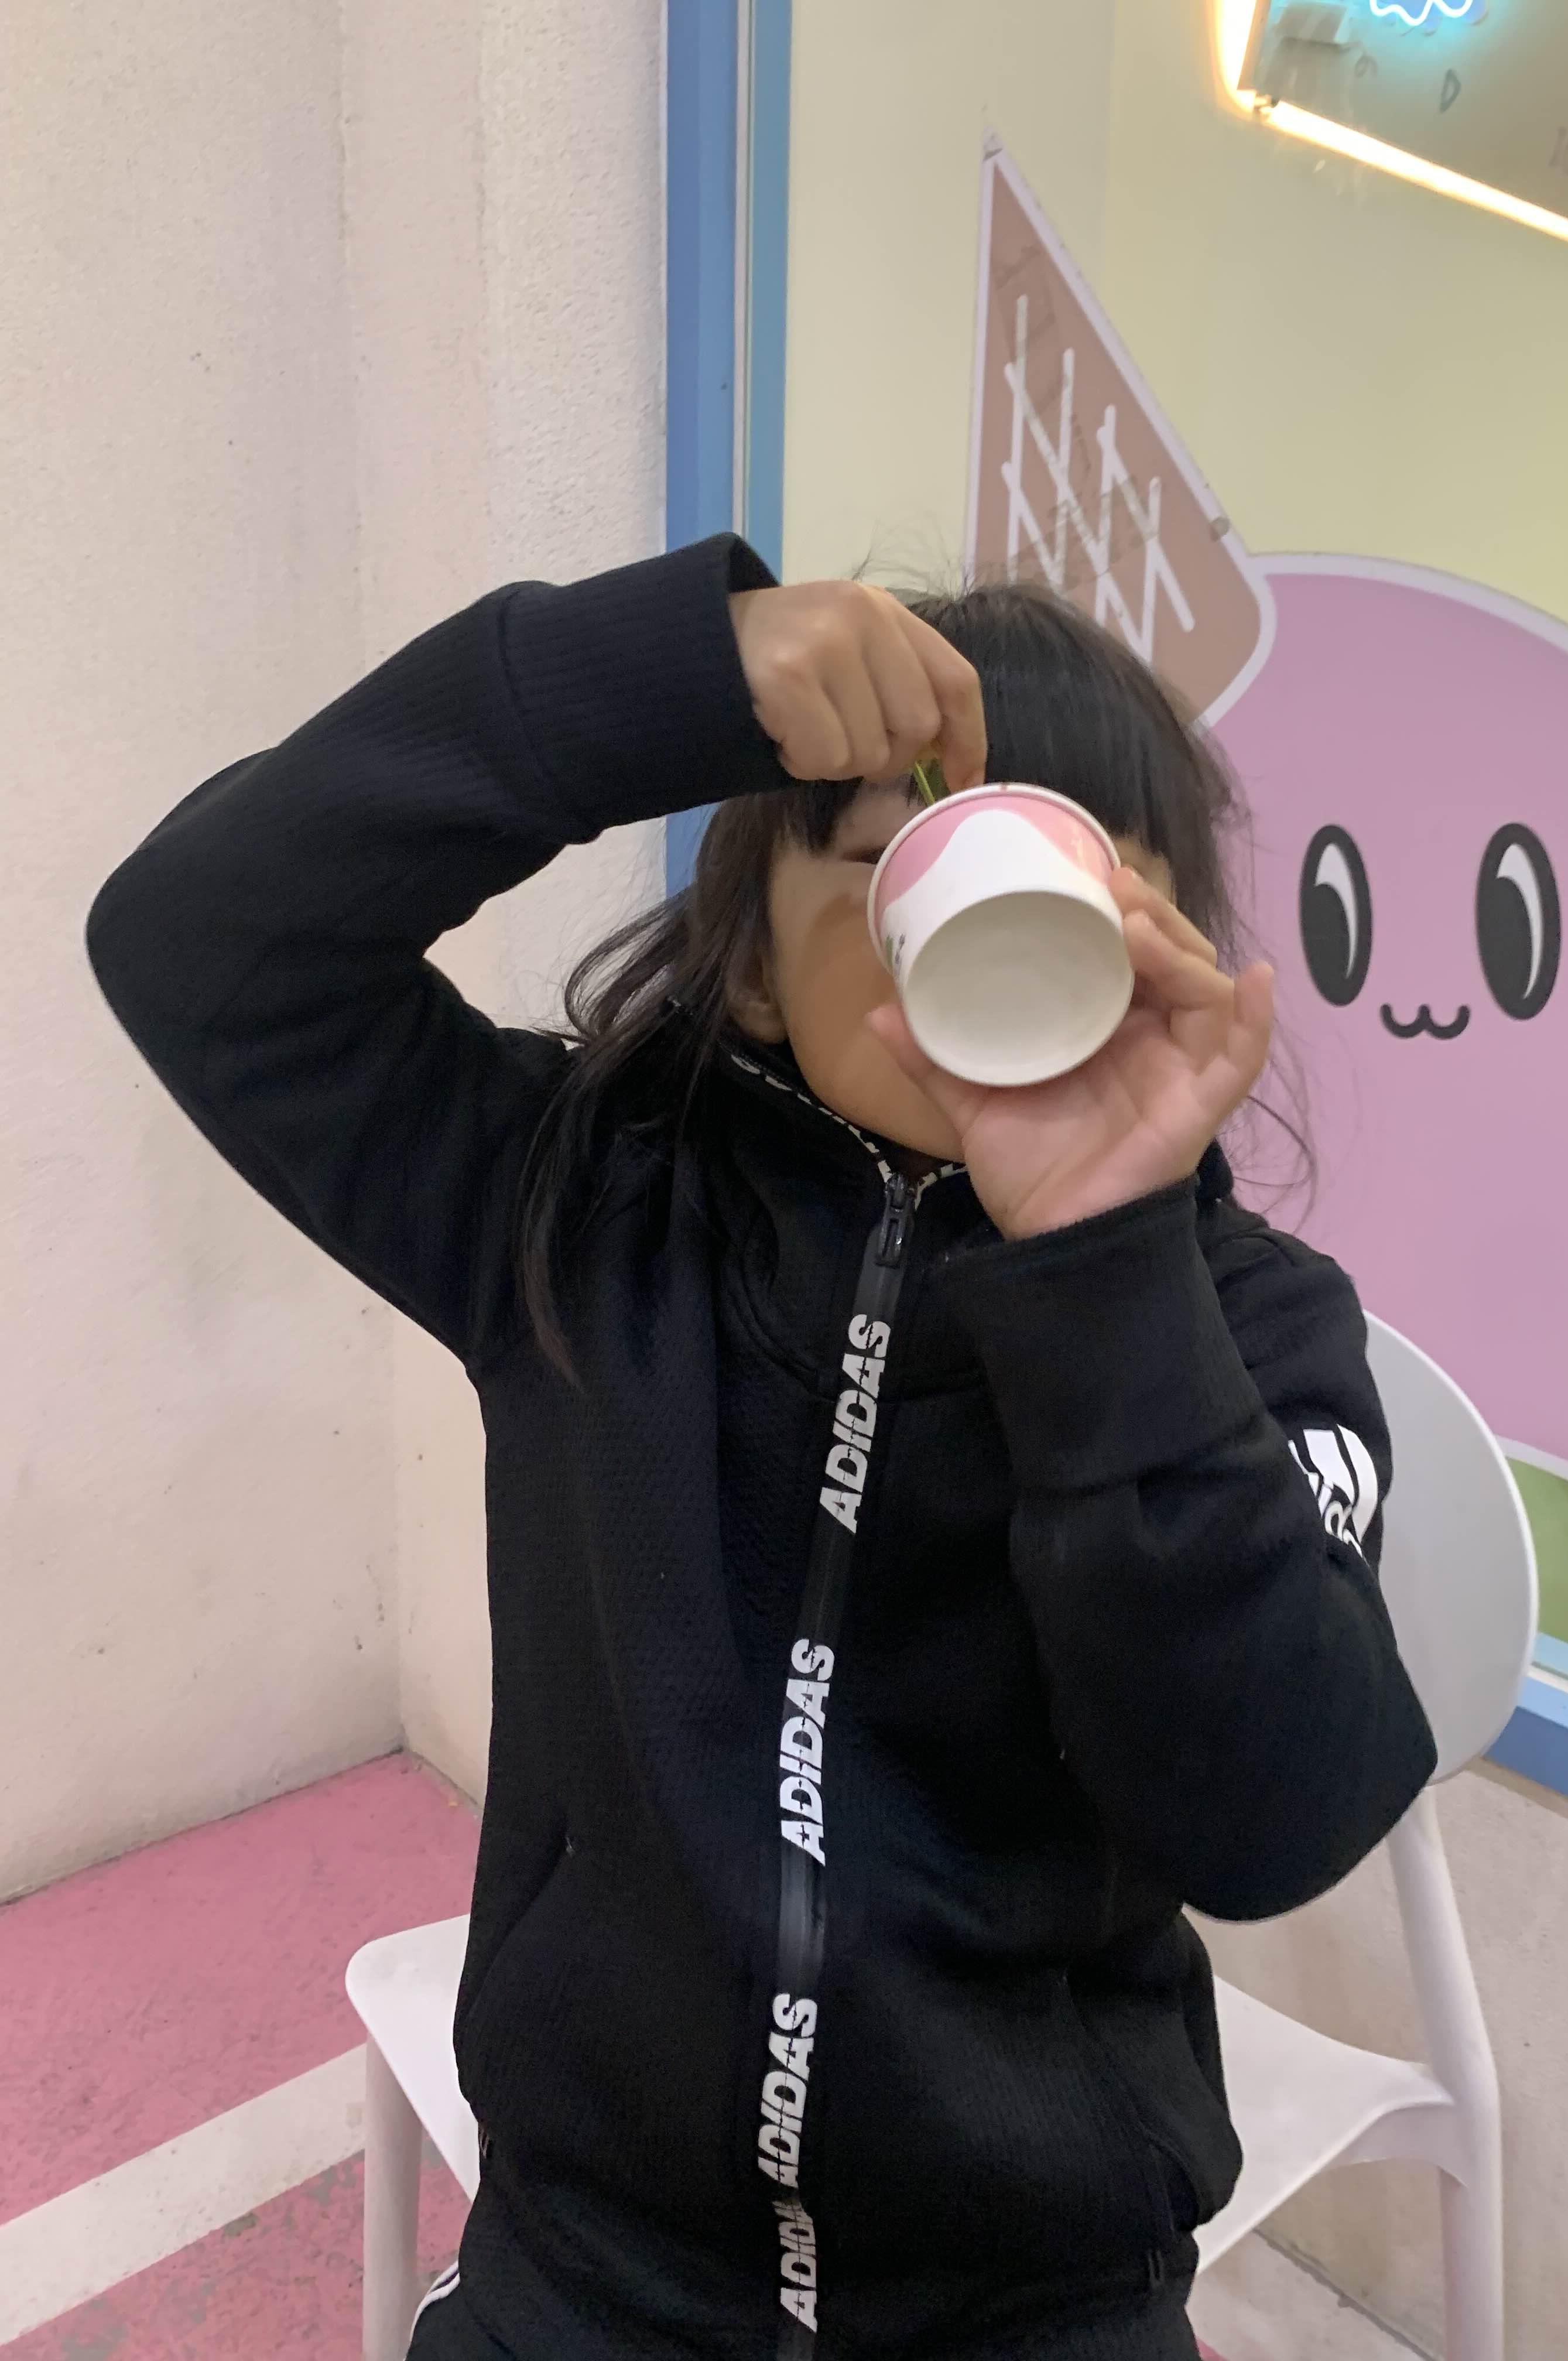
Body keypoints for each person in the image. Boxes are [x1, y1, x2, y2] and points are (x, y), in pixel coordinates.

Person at [87, 533, 1436, 2361]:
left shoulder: (1244, 1325)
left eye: (1097, 872)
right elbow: (196, 938)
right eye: (898, 859)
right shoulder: (579, 1209)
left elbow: (1274, 1815)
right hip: (586, 2270)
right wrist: (651, 685)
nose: (1019, 911)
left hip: (1040, 2304)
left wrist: (1110, 1276)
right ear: (749, 974)